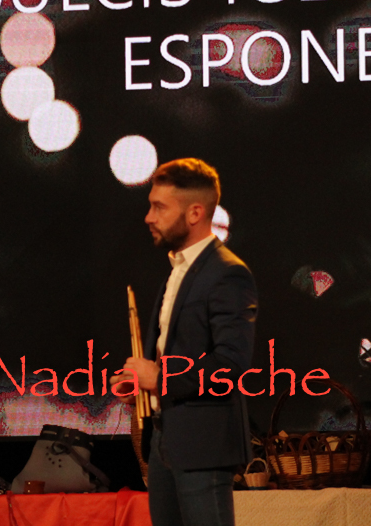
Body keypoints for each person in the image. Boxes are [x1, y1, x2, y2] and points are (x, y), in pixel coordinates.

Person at [121, 158, 258, 526]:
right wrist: (141, 383)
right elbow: (175, 351)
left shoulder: (227, 273)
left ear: (195, 212)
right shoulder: (178, 270)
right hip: (164, 437)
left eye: (159, 207)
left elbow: (231, 365)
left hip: (203, 444)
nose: (149, 217)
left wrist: (159, 379)